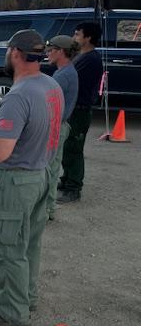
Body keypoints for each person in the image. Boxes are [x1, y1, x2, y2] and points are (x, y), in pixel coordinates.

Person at [0, 30, 64, 326]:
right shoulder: (51, 85)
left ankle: (12, 311)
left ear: (15, 53)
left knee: (7, 248)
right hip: (41, 174)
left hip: (14, 181)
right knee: (30, 244)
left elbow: (0, 153)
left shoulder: (18, 96)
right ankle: (27, 295)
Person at [57, 22, 103, 204]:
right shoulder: (80, 56)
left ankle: (73, 188)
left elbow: (71, 80)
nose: (74, 38)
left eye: (77, 35)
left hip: (80, 110)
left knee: (74, 148)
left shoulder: (90, 59)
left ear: (88, 38)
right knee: (67, 147)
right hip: (73, 109)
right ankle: (66, 179)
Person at [44, 35, 79, 219]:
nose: (48, 54)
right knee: (52, 167)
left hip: (55, 127)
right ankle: (48, 208)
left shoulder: (63, 75)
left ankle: (46, 209)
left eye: (51, 50)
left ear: (61, 52)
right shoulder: (66, 71)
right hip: (61, 125)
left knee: (47, 169)